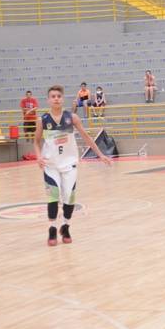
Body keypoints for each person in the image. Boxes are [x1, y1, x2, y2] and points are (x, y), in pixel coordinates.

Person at [33, 85, 112, 247]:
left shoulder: (72, 117)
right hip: (50, 165)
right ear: (48, 100)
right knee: (54, 196)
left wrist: (101, 155)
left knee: (69, 197)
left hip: (69, 164)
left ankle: (66, 226)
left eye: (58, 96)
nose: (56, 99)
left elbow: (87, 137)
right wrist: (39, 157)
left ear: (63, 99)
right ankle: (52, 228)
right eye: (53, 96)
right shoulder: (43, 120)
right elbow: (36, 141)